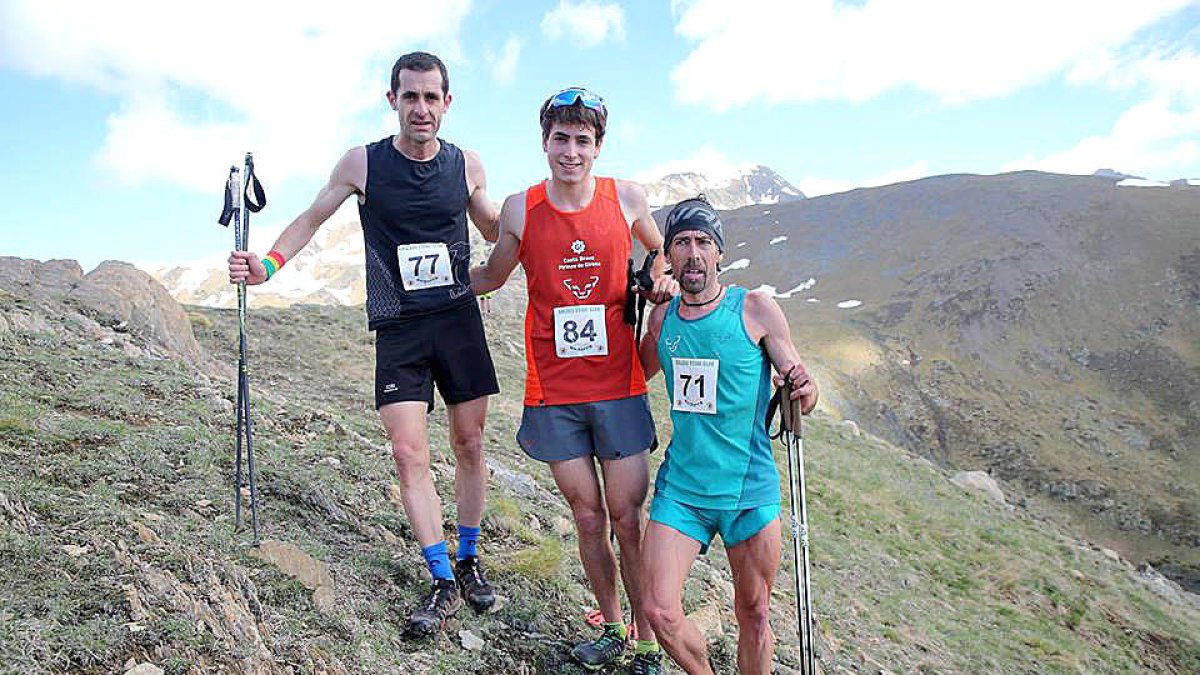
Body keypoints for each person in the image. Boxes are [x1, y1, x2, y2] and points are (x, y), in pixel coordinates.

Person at [227, 51, 502, 638]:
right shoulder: (363, 163)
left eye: (432, 97)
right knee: (409, 453)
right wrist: (268, 263)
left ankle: (470, 560)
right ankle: (441, 578)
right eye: (411, 97)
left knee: (470, 442)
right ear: (392, 100)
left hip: (457, 321)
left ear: (447, 103)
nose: (421, 108)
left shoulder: (467, 166)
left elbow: (496, 231)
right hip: (399, 326)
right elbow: (311, 218)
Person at [471, 87, 675, 674]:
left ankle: (644, 641)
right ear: (544, 142)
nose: (571, 151)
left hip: (618, 385)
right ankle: (612, 626)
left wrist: (657, 279)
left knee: (627, 519)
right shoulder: (519, 208)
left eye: (583, 140)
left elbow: (660, 254)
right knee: (588, 518)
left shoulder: (628, 199)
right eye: (560, 138)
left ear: (598, 146)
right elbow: (493, 274)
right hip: (554, 392)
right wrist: (442, 282)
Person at [637, 197, 819, 675]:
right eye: (681, 243)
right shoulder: (664, 319)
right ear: (669, 257)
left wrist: (804, 387)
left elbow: (803, 386)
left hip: (747, 489)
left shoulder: (755, 309)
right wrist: (638, 305)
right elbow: (635, 373)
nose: (692, 253)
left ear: (719, 252)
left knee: (754, 613)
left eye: (702, 242)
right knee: (658, 610)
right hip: (684, 489)